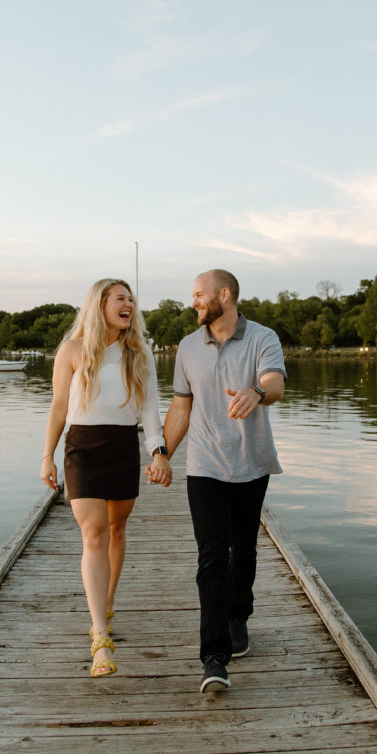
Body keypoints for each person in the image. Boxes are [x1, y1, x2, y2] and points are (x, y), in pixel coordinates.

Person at [147, 269, 286, 693]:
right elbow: (180, 407)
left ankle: (238, 614)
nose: (194, 302)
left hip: (251, 464)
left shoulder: (263, 337)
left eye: (199, 295)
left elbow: (275, 382)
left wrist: (256, 394)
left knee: (243, 550)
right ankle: (214, 656)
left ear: (224, 295)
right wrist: (163, 454)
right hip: (204, 466)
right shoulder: (188, 347)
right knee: (211, 555)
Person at [41, 278, 172, 678]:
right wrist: (47, 455)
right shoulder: (73, 350)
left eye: (131, 298)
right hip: (82, 447)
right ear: (99, 304)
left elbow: (150, 409)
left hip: (120, 447)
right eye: (120, 297)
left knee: (116, 528)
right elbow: (59, 407)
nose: (128, 303)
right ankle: (101, 638)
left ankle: (107, 603)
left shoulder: (140, 352)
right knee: (94, 532)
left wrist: (159, 452)